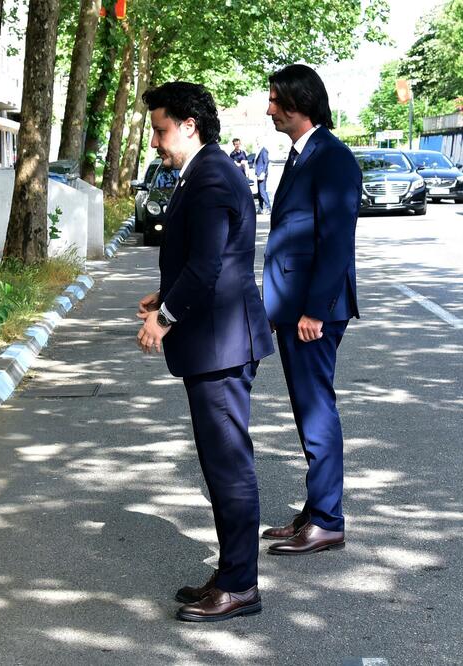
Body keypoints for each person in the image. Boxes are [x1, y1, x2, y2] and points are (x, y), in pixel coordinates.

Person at [135, 82, 274, 622]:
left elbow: (209, 265)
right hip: (218, 338)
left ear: (189, 124)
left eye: (161, 129)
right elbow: (202, 258)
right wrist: (165, 294)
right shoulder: (206, 170)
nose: (155, 141)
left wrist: (163, 319)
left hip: (220, 345)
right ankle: (231, 570)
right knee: (221, 465)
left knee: (229, 466)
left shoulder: (213, 175)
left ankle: (241, 585)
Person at [261, 64, 360, 555]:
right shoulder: (303, 155)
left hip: (313, 312)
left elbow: (336, 241)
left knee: (317, 410)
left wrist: (315, 311)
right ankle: (315, 510)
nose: (269, 108)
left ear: (301, 103)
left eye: (276, 100)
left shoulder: (333, 157)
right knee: (307, 409)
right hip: (295, 307)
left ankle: (327, 519)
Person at [253, 138, 271, 214]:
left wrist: (263, 172)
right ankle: (260, 208)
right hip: (259, 173)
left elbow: (266, 162)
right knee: (260, 192)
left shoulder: (264, 150)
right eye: (257, 141)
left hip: (262, 174)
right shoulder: (259, 150)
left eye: (258, 141)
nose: (257, 143)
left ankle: (268, 208)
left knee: (262, 191)